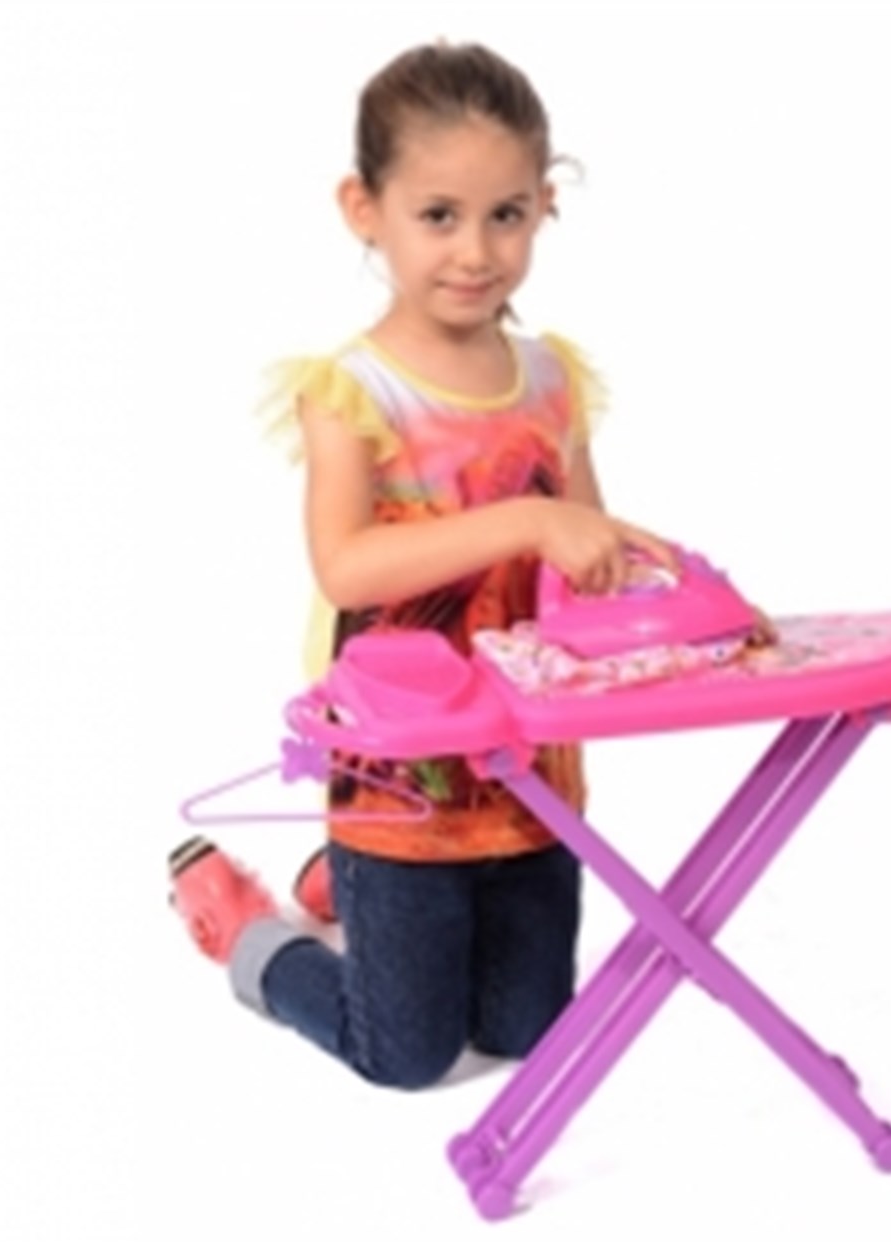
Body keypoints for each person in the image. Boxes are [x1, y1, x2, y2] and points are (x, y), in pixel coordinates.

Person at [167, 40, 675, 1089]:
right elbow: (350, 569)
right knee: (407, 1054)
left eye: (506, 214)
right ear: (366, 208)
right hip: (399, 769)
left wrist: (649, 577)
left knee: (528, 1031)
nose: (475, 251)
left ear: (546, 205)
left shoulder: (550, 378)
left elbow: (577, 546)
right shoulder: (355, 391)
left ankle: (342, 887)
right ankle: (254, 933)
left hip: (530, 763)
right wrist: (528, 522)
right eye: (438, 215)